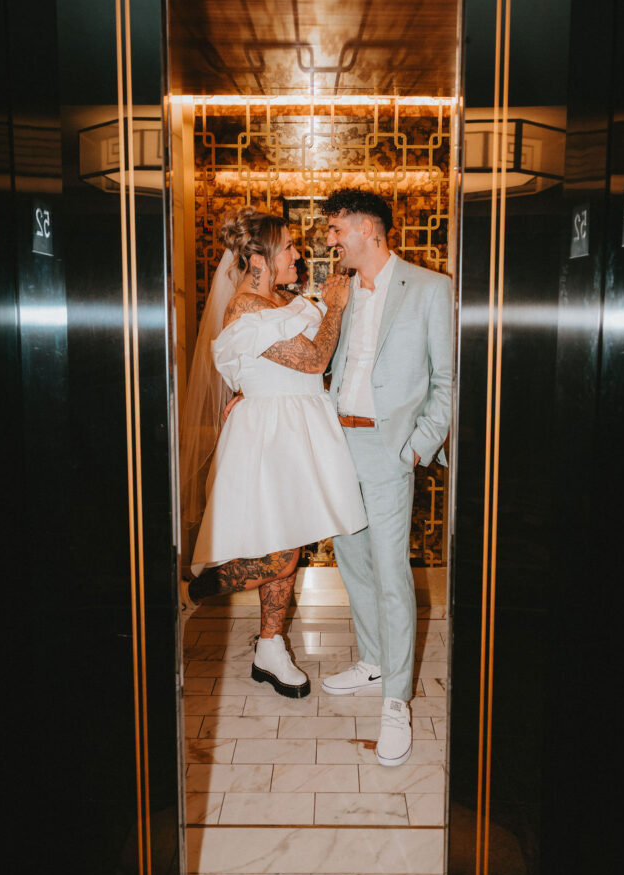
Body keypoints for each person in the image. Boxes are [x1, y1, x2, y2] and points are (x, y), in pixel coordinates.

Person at [179, 208, 367, 698]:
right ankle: (190, 591)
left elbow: (307, 370)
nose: (297, 255)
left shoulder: (286, 300)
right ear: (259, 258)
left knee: (290, 543)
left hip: (298, 430)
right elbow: (314, 359)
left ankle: (270, 648)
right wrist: (338, 306)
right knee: (278, 557)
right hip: (268, 437)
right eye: (288, 247)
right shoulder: (245, 309)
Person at [320, 188, 453, 766]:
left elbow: (447, 382)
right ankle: (373, 661)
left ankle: (396, 701)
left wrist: (415, 449)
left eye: (336, 229)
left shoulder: (430, 288)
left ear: (368, 230)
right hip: (336, 440)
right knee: (353, 561)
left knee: (393, 572)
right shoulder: (339, 291)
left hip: (388, 447)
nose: (330, 239)